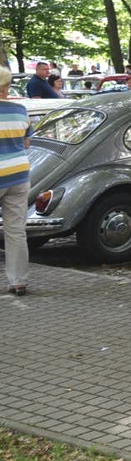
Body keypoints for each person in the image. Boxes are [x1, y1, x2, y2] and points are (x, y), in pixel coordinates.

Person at [0, 66, 32, 295]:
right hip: (19, 175)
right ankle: (18, 281)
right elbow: (27, 143)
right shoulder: (20, 110)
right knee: (16, 230)